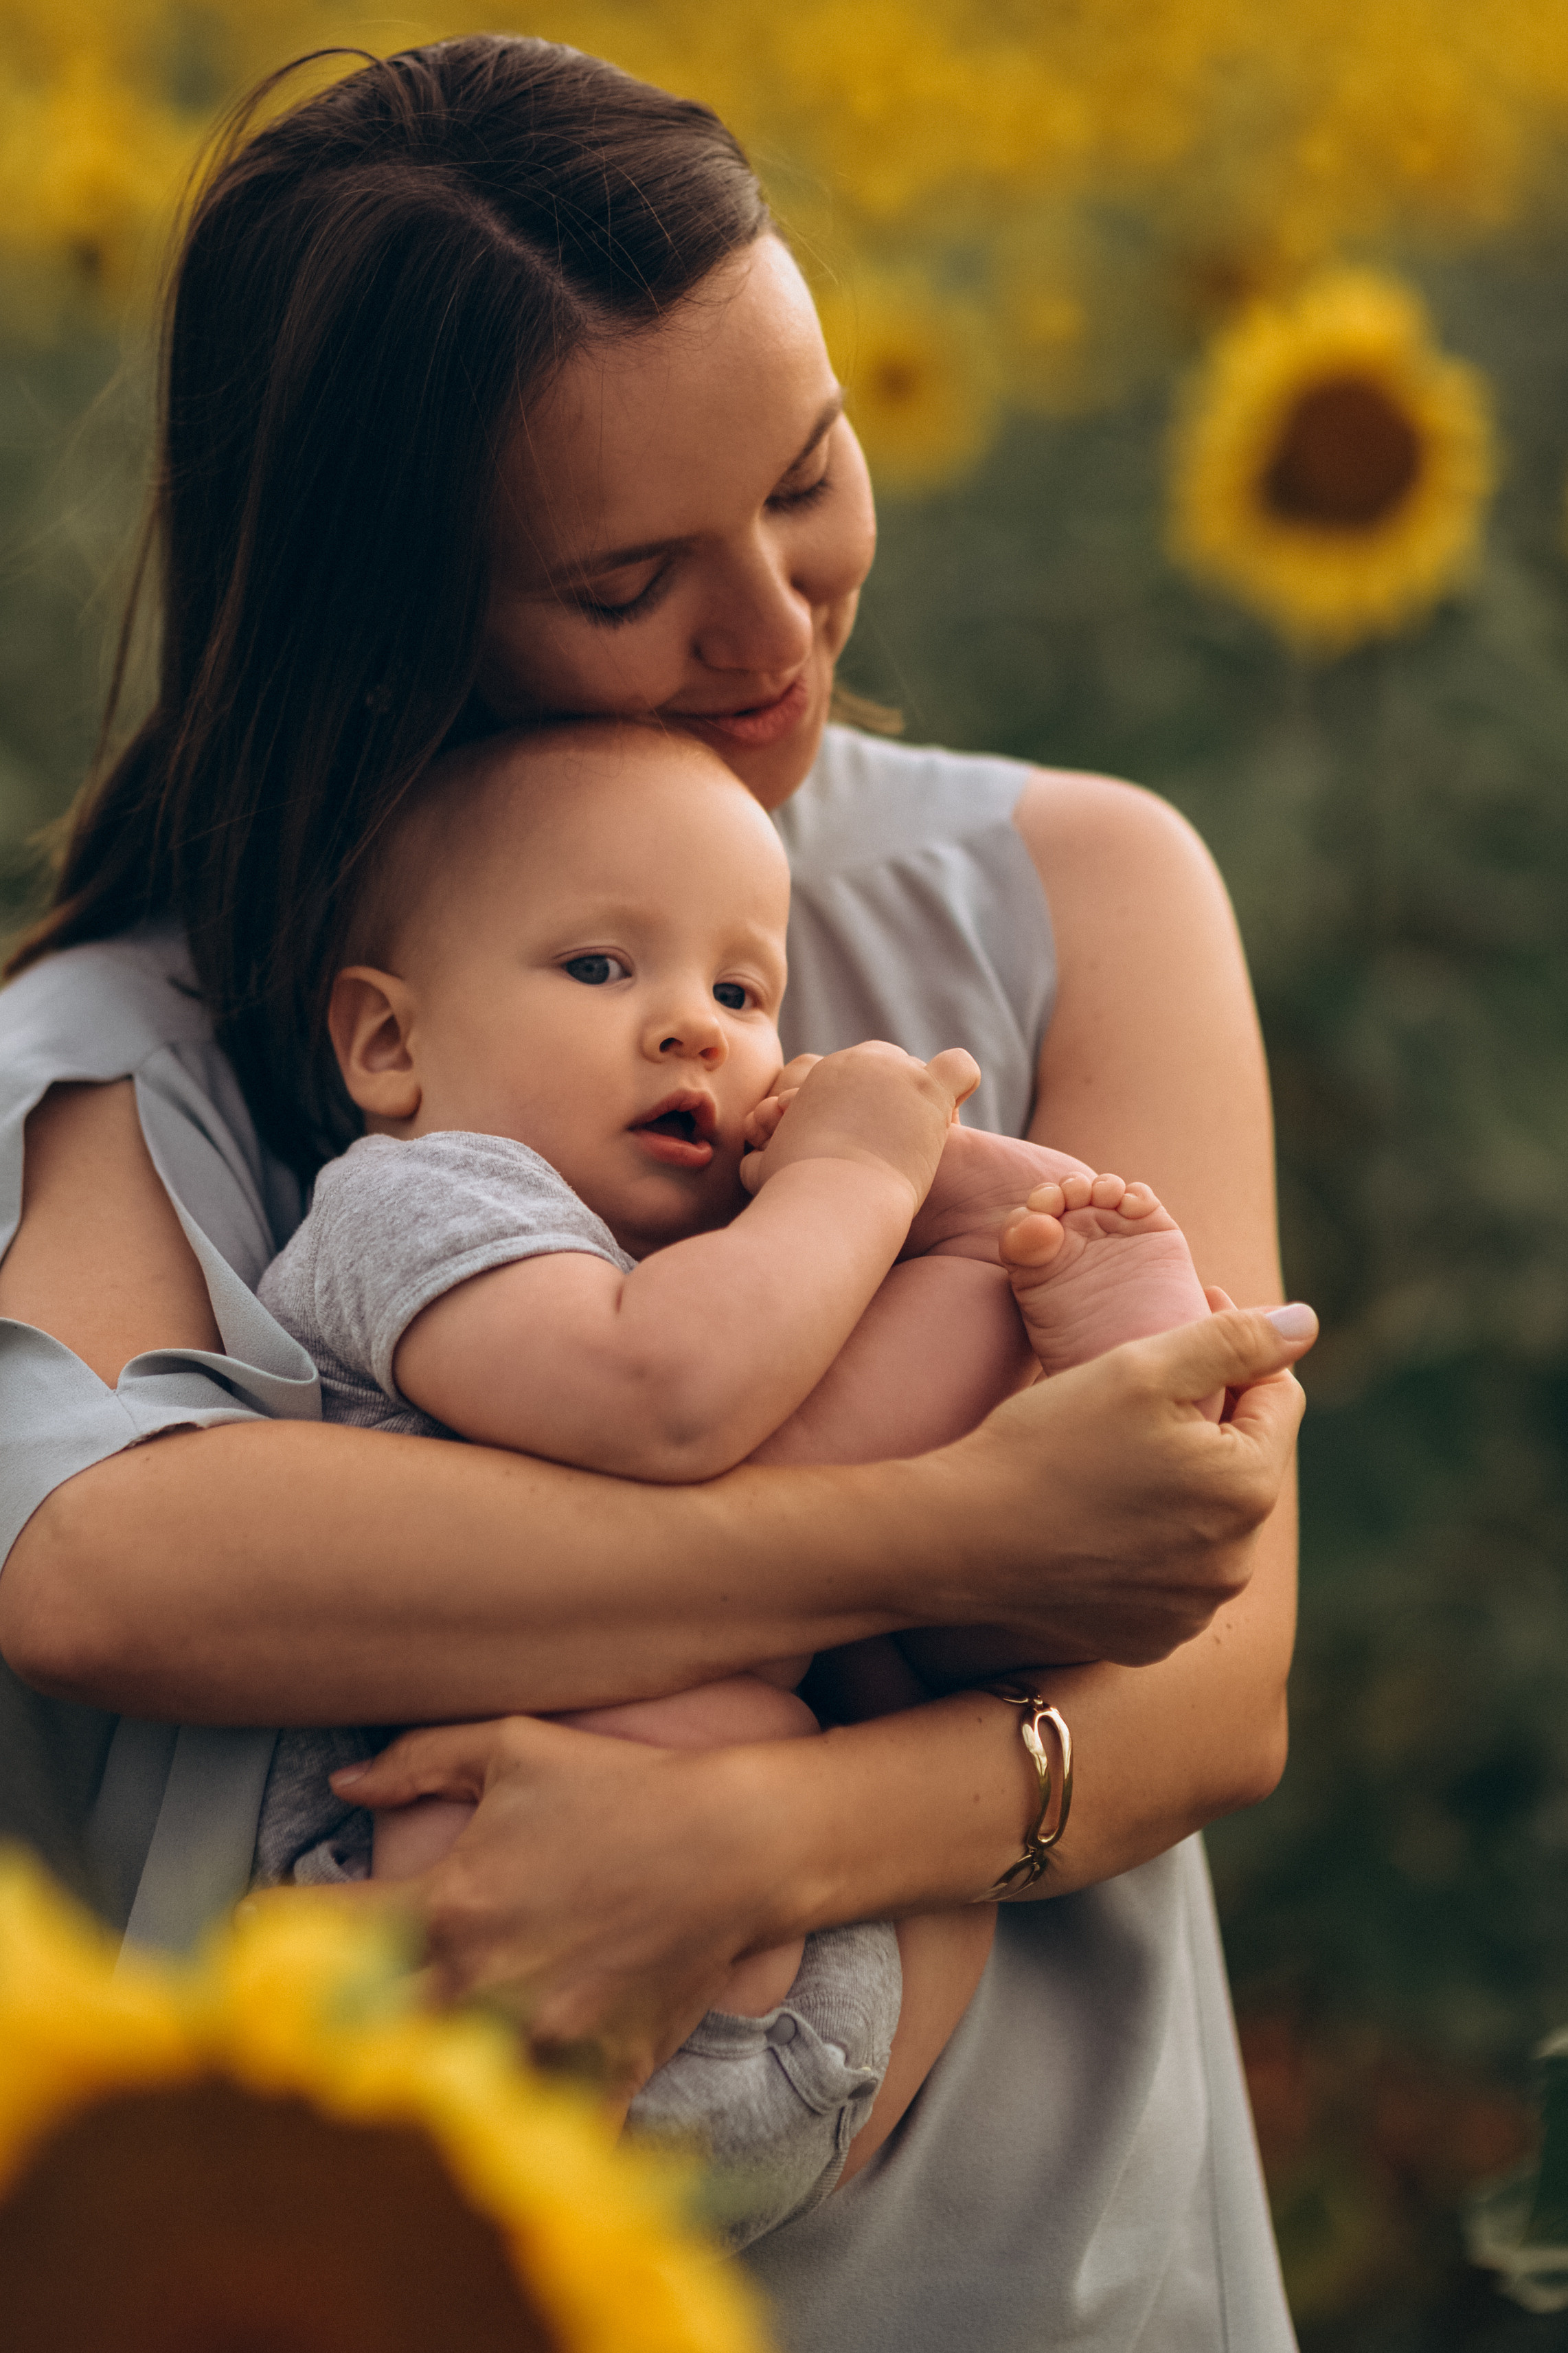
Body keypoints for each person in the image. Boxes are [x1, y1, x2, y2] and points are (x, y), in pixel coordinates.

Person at [0, 36, 1309, 2351]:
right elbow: (102, 1565)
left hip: (1033, 2274)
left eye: (807, 477)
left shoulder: (1074, 887)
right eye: (623, 581)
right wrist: (952, 1542)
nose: (776, 629)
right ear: (383, 612)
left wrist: (755, 1842)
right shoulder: (151, 1032)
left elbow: (1207, 1687)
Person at [251, 712, 1219, 2242]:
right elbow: (668, 1396)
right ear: (392, 1043)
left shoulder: (723, 1259)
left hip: (815, 2013)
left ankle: (1109, 1346)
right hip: (472, 1958)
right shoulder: (418, 1202)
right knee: (805, 1443)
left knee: (952, 1382)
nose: (688, 1026)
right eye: (597, 968)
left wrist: (946, 1177)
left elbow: (777, 1388)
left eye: (739, 988)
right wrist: (853, 1177)